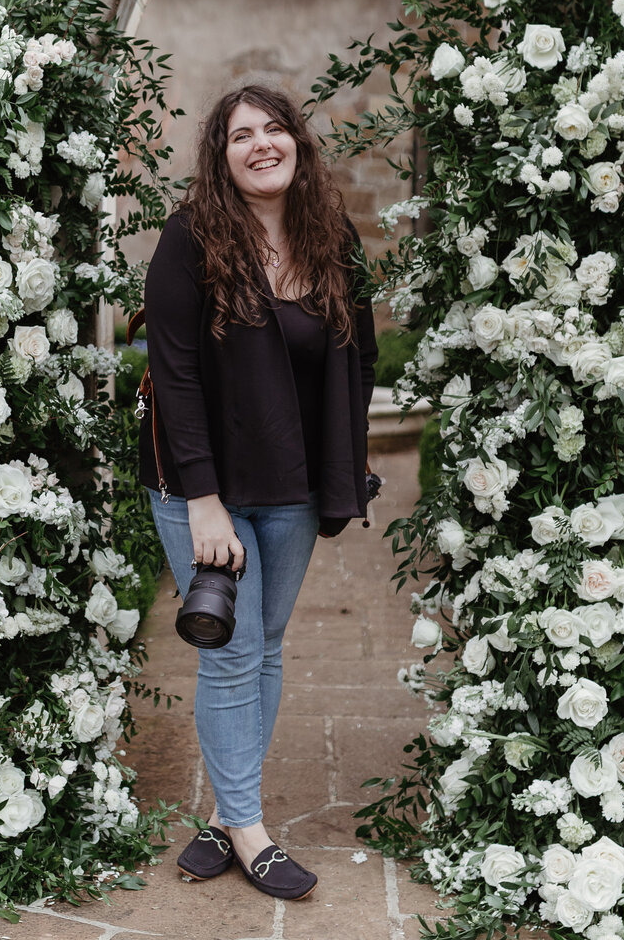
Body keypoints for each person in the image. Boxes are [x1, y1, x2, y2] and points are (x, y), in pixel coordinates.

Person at [140, 83, 377, 901]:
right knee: (233, 653)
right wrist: (203, 500)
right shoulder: (189, 240)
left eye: (275, 129)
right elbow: (172, 374)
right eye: (242, 135)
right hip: (202, 487)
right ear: (221, 156)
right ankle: (251, 832)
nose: (262, 144)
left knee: (266, 645)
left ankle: (226, 815)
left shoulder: (331, 239)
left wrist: (342, 468)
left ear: (299, 145)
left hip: (293, 488)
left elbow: (361, 356)